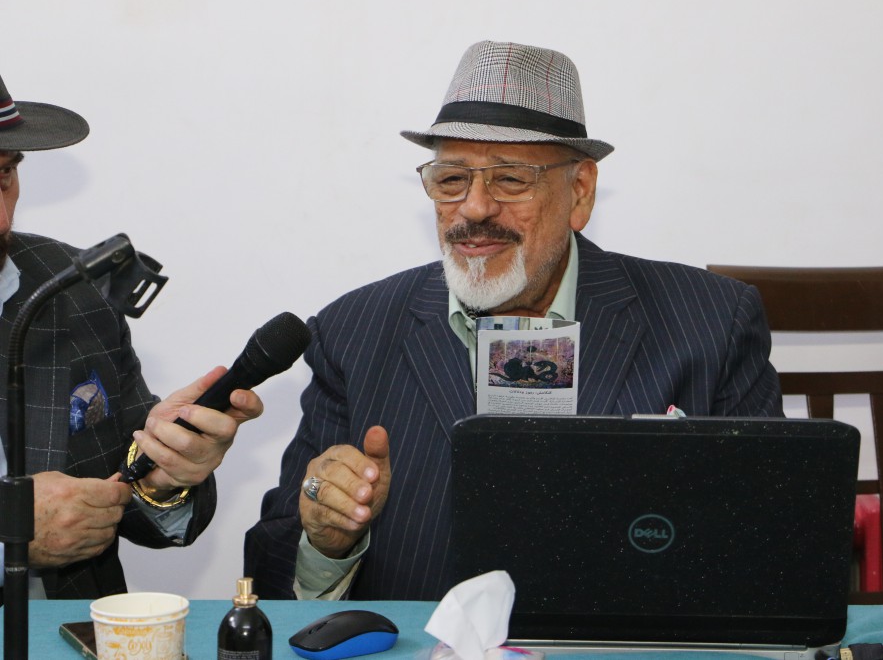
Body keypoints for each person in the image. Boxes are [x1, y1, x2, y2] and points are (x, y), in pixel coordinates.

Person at [244, 41, 783, 601]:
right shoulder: (353, 332)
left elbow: (779, 540)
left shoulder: (711, 323)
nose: (475, 208)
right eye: (451, 179)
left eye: (510, 180)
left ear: (580, 192)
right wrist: (329, 544)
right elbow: (270, 571)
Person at [0, 72, 263, 601]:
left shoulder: (69, 288)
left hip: (66, 632)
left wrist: (164, 473)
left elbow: (138, 502)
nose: (2, 218)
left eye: (5, 174)